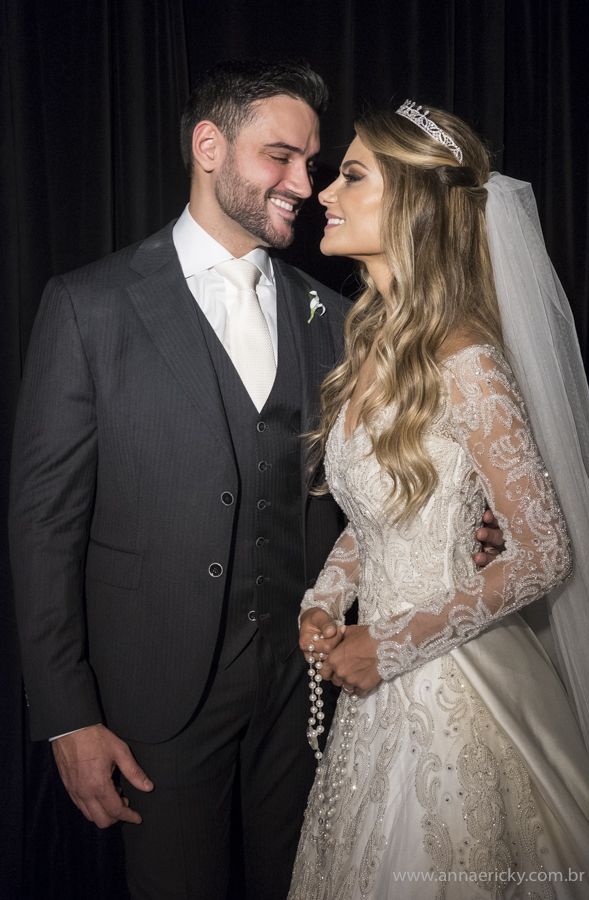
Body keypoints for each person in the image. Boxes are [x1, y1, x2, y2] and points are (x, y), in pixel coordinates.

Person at [8, 62, 503, 900]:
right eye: (281, 157)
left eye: (314, 164)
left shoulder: (342, 319)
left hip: (311, 695)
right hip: (156, 702)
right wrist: (68, 715)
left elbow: (388, 479)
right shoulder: (88, 308)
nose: (305, 186)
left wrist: (470, 520)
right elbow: (43, 526)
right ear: (209, 146)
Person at [289, 102, 589, 899]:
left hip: (454, 683)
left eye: (352, 175)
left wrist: (389, 644)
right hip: (375, 684)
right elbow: (376, 517)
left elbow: (544, 553)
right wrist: (324, 603)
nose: (325, 191)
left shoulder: (468, 356)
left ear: (415, 205)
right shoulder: (374, 343)